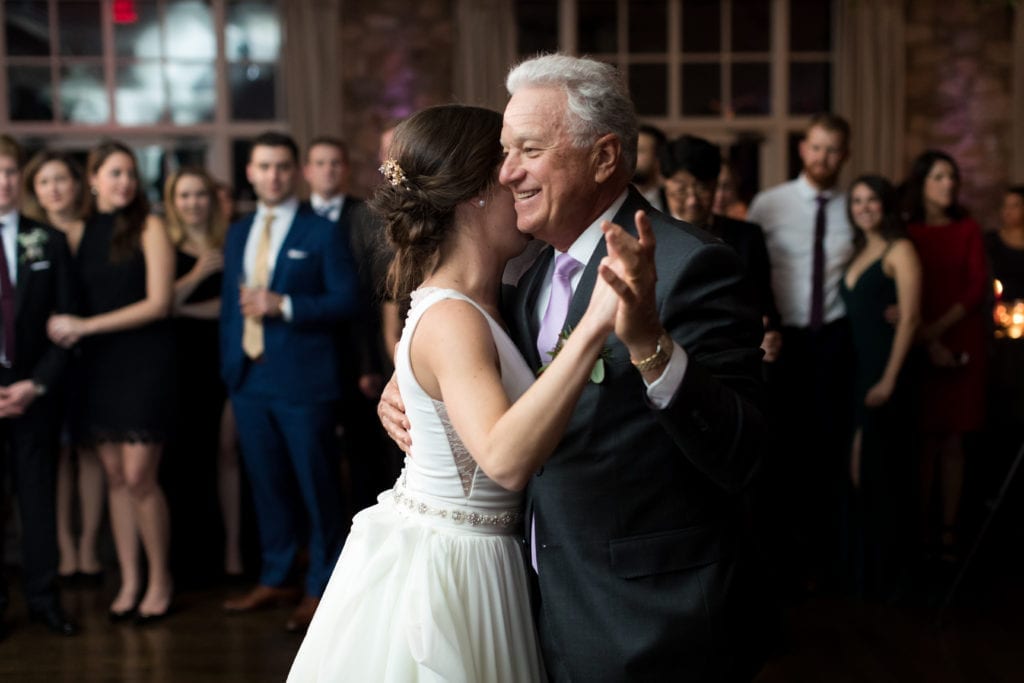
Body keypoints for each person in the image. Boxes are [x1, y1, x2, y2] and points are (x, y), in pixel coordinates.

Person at [381, 55, 768, 681]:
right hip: (538, 606)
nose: (506, 172)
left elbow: (742, 452)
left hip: (647, 622)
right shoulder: (526, 272)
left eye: (528, 150)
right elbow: (468, 350)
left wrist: (651, 348)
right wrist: (415, 385)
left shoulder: (688, 265)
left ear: (604, 157)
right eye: (504, 152)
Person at [291, 102, 630, 681]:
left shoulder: (504, 292)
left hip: (486, 550)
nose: (520, 184)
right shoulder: (453, 318)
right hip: (455, 563)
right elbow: (501, 458)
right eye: (508, 169)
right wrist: (595, 325)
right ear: (477, 192)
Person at [219, 131, 358, 633]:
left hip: (304, 383)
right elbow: (227, 309)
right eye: (263, 166)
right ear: (251, 173)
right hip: (249, 379)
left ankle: (322, 586)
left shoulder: (320, 231)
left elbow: (347, 300)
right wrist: (229, 366)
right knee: (267, 485)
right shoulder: (237, 232)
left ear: (295, 172)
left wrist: (286, 305)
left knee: (317, 486)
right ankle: (276, 574)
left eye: (282, 166)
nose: (273, 175)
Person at [47, 140, 176, 624]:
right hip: (95, 371)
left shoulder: (151, 224)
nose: (124, 182)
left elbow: (159, 303)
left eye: (129, 173)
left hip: (144, 364)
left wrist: (85, 326)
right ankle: (130, 580)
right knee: (117, 479)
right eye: (113, 173)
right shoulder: (79, 232)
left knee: (141, 478)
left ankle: (161, 578)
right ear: (94, 178)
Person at [746, 112, 856, 591]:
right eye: (816, 147)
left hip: (833, 337)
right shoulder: (770, 205)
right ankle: (782, 563)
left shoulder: (856, 208)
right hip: (781, 338)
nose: (823, 158)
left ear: (844, 156)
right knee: (781, 446)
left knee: (828, 446)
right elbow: (747, 267)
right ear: (802, 149)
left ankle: (828, 559)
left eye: (832, 150)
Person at [0, 135, 79, 638]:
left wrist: (37, 384)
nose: (2, 182)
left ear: (19, 179)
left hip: (33, 392)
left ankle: (44, 599)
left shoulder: (46, 240)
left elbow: (67, 324)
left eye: (9, 171)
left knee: (38, 501)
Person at [22, 150, 104, 585]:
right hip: (45, 359)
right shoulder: (26, 235)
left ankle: (89, 548)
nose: (55, 189)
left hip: (94, 354)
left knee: (88, 452)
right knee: (55, 456)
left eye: (62, 179)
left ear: (77, 184)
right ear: (33, 189)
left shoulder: (97, 231)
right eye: (44, 181)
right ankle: (64, 550)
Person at [302, 136, 396, 513]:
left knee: (365, 451)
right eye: (320, 163)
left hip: (359, 348)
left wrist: (368, 362)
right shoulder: (296, 217)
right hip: (310, 349)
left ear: (347, 169)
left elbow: (371, 292)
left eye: (335, 163)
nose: (328, 170)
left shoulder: (367, 214)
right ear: (307, 171)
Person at [903, 150, 988, 562]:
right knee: (923, 438)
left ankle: (950, 531)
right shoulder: (909, 231)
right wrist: (924, 336)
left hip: (960, 341)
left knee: (954, 438)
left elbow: (977, 288)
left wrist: (937, 332)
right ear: (922, 183)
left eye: (952, 176)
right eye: (940, 176)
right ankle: (919, 527)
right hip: (918, 341)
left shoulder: (967, 228)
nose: (949, 183)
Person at [839, 175, 921, 598]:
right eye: (857, 200)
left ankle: (892, 578)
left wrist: (889, 379)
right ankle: (866, 573)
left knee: (880, 471)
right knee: (858, 469)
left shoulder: (899, 249)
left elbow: (908, 317)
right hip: (858, 369)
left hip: (887, 371)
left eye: (872, 200)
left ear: (886, 205)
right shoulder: (859, 249)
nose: (864, 207)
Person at [162, 167, 241, 583]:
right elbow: (160, 303)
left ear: (211, 200)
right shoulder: (166, 247)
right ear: (173, 203)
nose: (193, 203)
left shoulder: (230, 243)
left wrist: (187, 306)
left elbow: (234, 308)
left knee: (226, 455)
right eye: (184, 196)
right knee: (182, 460)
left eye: (199, 195)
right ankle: (186, 562)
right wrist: (196, 276)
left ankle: (230, 553)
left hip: (221, 360)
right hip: (177, 365)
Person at [659, 134, 782, 361]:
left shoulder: (748, 236)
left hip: (731, 355)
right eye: (681, 190)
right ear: (664, 183)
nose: (692, 201)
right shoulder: (649, 237)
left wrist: (770, 334)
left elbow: (764, 302)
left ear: (716, 184)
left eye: (702, 189)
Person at [634, 123, 667, 212]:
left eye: (640, 151)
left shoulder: (671, 201)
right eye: (630, 150)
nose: (632, 155)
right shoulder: (611, 200)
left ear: (658, 158)